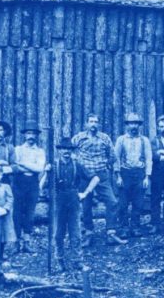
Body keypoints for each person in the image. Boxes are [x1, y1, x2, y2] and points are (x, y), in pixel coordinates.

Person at [72, 114, 126, 245]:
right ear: (86, 124)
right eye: (91, 122)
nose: (93, 124)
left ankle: (111, 233)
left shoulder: (104, 138)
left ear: (99, 124)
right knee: (86, 205)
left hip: (102, 175)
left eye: (96, 122)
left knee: (112, 201)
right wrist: (78, 163)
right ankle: (88, 233)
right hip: (85, 176)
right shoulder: (79, 138)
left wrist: (105, 165)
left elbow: (112, 156)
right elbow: (70, 151)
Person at [52, 139, 99, 271]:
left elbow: (95, 178)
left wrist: (86, 193)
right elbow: (43, 184)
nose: (66, 151)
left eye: (69, 149)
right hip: (58, 200)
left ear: (72, 151)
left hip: (73, 199)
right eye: (63, 149)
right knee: (58, 233)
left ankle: (77, 261)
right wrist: (46, 171)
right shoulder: (54, 165)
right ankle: (59, 260)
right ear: (59, 150)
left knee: (75, 232)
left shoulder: (77, 165)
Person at [114, 112, 153, 238]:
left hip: (139, 173)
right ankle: (124, 227)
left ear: (139, 125)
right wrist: (118, 176)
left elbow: (149, 158)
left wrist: (147, 177)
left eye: (136, 123)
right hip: (125, 173)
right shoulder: (121, 140)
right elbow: (116, 158)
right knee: (123, 203)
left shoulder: (144, 140)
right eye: (131, 123)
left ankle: (136, 226)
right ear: (127, 125)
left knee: (138, 202)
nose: (134, 126)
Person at [12, 123, 48, 252]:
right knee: (16, 212)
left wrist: (22, 163)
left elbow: (39, 168)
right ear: (24, 135)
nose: (31, 136)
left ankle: (26, 242)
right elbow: (15, 166)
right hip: (18, 181)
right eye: (28, 133)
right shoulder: (18, 149)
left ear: (37, 136)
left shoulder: (40, 151)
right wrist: (30, 166)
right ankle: (16, 242)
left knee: (29, 212)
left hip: (33, 183)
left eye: (33, 133)